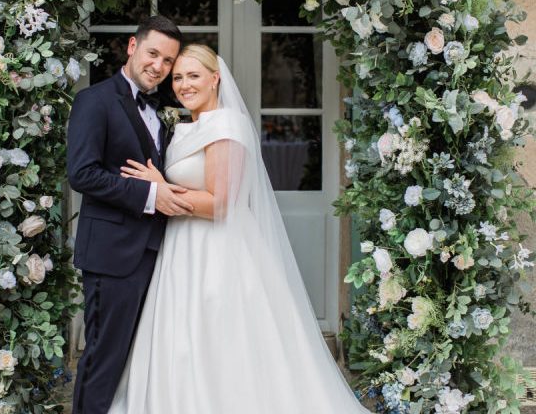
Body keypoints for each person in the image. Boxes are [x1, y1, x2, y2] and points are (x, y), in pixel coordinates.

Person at [108, 44, 371, 413]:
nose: (184, 85)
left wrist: (160, 189)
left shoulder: (225, 124)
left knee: (221, 336)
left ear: (215, 78)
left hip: (218, 248)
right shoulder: (188, 126)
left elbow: (219, 203)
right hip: (182, 244)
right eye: (178, 77)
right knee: (184, 338)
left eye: (194, 76)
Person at [67, 16, 194, 414]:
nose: (158, 65)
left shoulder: (163, 109)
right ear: (132, 47)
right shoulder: (95, 100)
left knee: (139, 360)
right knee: (104, 358)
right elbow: (82, 173)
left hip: (156, 251)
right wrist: (150, 195)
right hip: (112, 254)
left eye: (168, 60)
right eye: (153, 53)